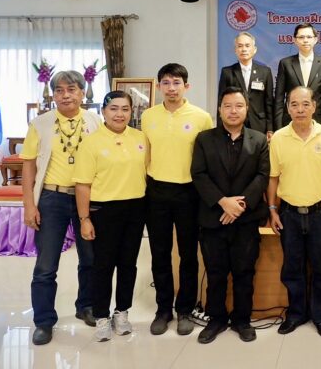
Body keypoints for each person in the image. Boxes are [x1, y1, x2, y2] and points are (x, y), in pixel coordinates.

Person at [21, 70, 101, 345]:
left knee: (90, 258)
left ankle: (86, 306)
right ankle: (43, 321)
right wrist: (29, 205)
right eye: (59, 90)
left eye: (71, 89)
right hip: (51, 199)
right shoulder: (40, 124)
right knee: (46, 265)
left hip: (85, 198)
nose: (65, 95)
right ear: (53, 95)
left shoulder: (95, 121)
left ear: (82, 92)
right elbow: (28, 166)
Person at [191, 86, 270, 343]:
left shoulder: (259, 140)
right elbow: (199, 174)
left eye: (238, 105)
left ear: (247, 109)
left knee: (244, 272)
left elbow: (262, 176)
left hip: (246, 219)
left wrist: (239, 206)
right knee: (215, 273)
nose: (233, 111)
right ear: (219, 109)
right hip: (213, 218)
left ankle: (241, 320)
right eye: (227, 106)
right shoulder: (204, 139)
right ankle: (216, 319)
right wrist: (223, 202)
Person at [141, 63, 213, 336]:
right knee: (159, 253)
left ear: (186, 86)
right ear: (159, 86)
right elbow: (145, 154)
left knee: (188, 254)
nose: (171, 88)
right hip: (156, 192)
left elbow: (206, 159)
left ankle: (185, 309)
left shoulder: (201, 117)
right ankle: (163, 309)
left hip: (189, 192)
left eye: (176, 83)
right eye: (166, 83)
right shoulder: (148, 116)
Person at [73, 91, 147, 342]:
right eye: (113, 108)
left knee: (128, 264)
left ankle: (122, 312)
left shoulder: (140, 138)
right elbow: (82, 184)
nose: (119, 114)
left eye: (125, 109)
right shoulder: (91, 142)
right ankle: (102, 316)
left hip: (135, 209)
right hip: (104, 211)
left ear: (131, 112)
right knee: (102, 266)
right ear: (104, 112)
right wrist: (84, 219)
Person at [268, 86, 321, 338]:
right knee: (292, 267)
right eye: (294, 104)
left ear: (314, 106)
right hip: (289, 213)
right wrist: (272, 209)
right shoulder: (278, 138)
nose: (300, 109)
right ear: (287, 108)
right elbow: (273, 177)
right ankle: (296, 314)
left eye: (305, 104)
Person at [274, 23, 321, 128]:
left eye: (309, 37)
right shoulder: (285, 63)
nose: (305, 40)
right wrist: (278, 126)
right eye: (301, 37)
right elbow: (279, 98)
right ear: (295, 40)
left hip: (319, 121)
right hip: (290, 121)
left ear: (315, 40)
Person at [219, 32, 274, 138]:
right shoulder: (227, 72)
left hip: (259, 124)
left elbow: (269, 102)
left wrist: (270, 128)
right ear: (235, 50)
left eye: (247, 46)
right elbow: (221, 103)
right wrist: (221, 128)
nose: (244, 49)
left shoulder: (265, 72)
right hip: (234, 123)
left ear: (254, 49)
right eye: (240, 46)